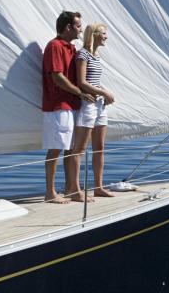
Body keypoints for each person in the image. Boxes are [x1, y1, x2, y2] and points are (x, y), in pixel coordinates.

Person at [42, 11, 95, 203]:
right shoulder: (55, 46)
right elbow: (57, 76)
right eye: (79, 26)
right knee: (55, 148)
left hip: (71, 105)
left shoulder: (72, 49)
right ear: (68, 27)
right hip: (59, 106)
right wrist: (80, 93)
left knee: (69, 148)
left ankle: (70, 189)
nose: (81, 29)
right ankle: (50, 192)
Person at [68, 23, 117, 198]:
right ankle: (75, 189)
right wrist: (104, 92)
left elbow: (93, 81)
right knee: (79, 149)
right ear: (94, 35)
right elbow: (82, 82)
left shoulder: (96, 56)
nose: (106, 36)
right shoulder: (83, 54)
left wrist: (105, 94)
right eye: (104, 33)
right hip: (88, 105)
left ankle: (98, 187)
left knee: (100, 147)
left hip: (100, 105)